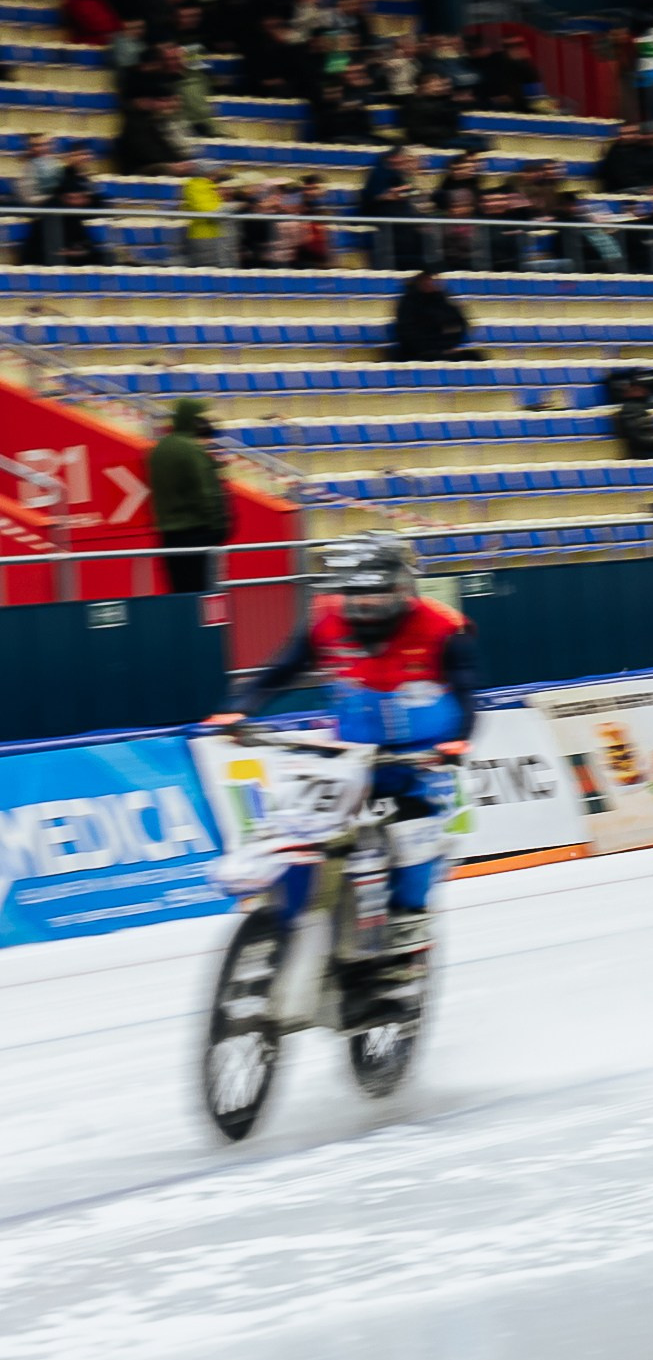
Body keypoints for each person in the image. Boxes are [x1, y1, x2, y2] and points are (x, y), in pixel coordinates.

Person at [202, 534, 476, 954]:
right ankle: (283, 912)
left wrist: (457, 743)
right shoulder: (325, 624)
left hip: (418, 761)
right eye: (354, 594)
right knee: (296, 820)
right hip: (347, 759)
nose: (364, 605)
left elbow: (467, 696)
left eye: (377, 594)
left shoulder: (444, 629)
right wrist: (240, 708)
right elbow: (281, 670)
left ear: (404, 589)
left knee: (414, 828)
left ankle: (410, 915)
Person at [148, 398, 229, 593]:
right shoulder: (191, 450)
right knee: (203, 595)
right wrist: (219, 528)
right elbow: (207, 493)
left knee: (180, 594)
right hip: (197, 534)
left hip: (168, 535)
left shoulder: (159, 449)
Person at [387, 269, 480, 361]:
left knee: (473, 356)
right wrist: (434, 347)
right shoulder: (408, 303)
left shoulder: (442, 301)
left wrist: (446, 346)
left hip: (444, 349)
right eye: (427, 280)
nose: (431, 283)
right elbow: (408, 333)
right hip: (418, 352)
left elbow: (458, 325)